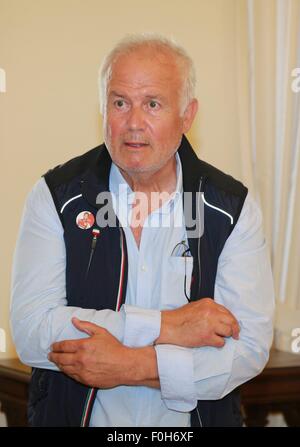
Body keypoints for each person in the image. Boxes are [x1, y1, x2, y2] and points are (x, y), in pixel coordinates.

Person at [10, 34, 274, 427]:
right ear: (103, 108)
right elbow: (33, 331)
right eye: (120, 103)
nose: (133, 123)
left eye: (153, 104)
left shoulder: (230, 207)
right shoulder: (56, 196)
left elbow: (247, 349)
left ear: (187, 116)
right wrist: (168, 326)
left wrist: (131, 365)